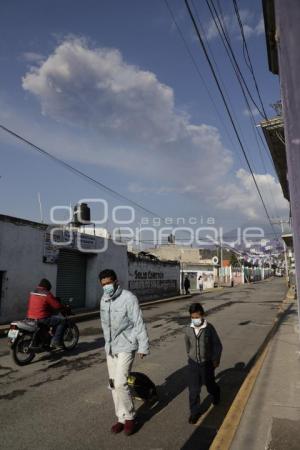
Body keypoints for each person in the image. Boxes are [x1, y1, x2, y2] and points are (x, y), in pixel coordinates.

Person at [99, 269, 149, 436]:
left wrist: (143, 345)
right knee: (113, 384)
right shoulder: (104, 300)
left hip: (126, 345)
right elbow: (105, 325)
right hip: (111, 347)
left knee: (121, 382)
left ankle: (130, 417)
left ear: (116, 281)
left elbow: (138, 322)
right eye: (103, 284)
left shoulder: (128, 298)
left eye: (109, 283)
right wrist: (107, 345)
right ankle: (120, 418)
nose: (107, 286)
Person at [184, 302, 222, 424]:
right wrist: (190, 355)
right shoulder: (188, 329)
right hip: (193, 364)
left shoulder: (209, 328)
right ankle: (195, 412)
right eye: (193, 317)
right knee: (193, 390)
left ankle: (216, 393)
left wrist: (216, 359)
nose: (195, 319)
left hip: (207, 364)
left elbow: (217, 345)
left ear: (203, 315)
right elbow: (187, 344)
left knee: (210, 385)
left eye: (197, 316)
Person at [26, 278, 66, 348]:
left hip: (30, 317)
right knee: (62, 321)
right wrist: (63, 306)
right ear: (47, 287)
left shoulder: (33, 292)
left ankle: (43, 340)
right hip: (41, 318)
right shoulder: (46, 293)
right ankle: (56, 341)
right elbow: (56, 306)